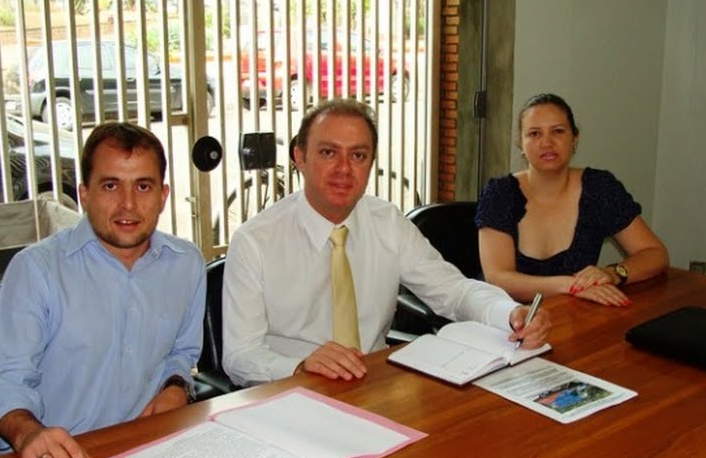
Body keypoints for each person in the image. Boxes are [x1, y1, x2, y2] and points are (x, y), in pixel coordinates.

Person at [222, 98, 550, 387]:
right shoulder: (255, 241)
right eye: (328, 153)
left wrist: (509, 313)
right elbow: (239, 355)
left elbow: (454, 291)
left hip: (372, 384)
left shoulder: (387, 222)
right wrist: (298, 365)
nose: (343, 169)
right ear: (300, 157)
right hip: (290, 394)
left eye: (358, 155)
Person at [0, 122, 206, 458]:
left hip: (145, 452)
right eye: (110, 185)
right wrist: (29, 433)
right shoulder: (37, 269)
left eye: (143, 186)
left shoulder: (186, 263)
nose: (128, 204)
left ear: (163, 196)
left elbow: (181, 354)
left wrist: (176, 386)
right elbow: (5, 382)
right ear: (84, 194)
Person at [475, 93, 669, 307]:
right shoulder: (500, 193)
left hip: (571, 317)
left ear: (575, 138)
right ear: (520, 143)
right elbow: (498, 278)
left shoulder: (599, 189)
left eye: (558, 131)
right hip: (503, 317)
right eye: (534, 133)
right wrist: (571, 286)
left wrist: (613, 273)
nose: (547, 142)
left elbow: (655, 254)